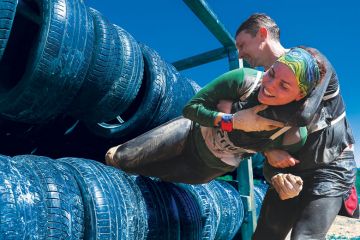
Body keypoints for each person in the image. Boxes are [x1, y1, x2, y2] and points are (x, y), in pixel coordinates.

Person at [105, 47, 321, 189]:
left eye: (284, 86)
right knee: (118, 159)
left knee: (140, 180)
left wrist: (280, 178)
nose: (270, 86)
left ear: (299, 95)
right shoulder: (244, 81)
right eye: (272, 73)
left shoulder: (292, 134)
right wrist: (232, 120)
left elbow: (274, 167)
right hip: (188, 134)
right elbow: (191, 109)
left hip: (206, 169)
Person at [232, 13, 358, 240]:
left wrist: (245, 115)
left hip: (331, 168)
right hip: (289, 172)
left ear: (262, 34)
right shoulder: (264, 87)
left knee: (304, 237)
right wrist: (268, 149)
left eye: (242, 44)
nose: (239, 53)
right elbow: (242, 134)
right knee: (265, 236)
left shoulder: (314, 61)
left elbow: (304, 114)